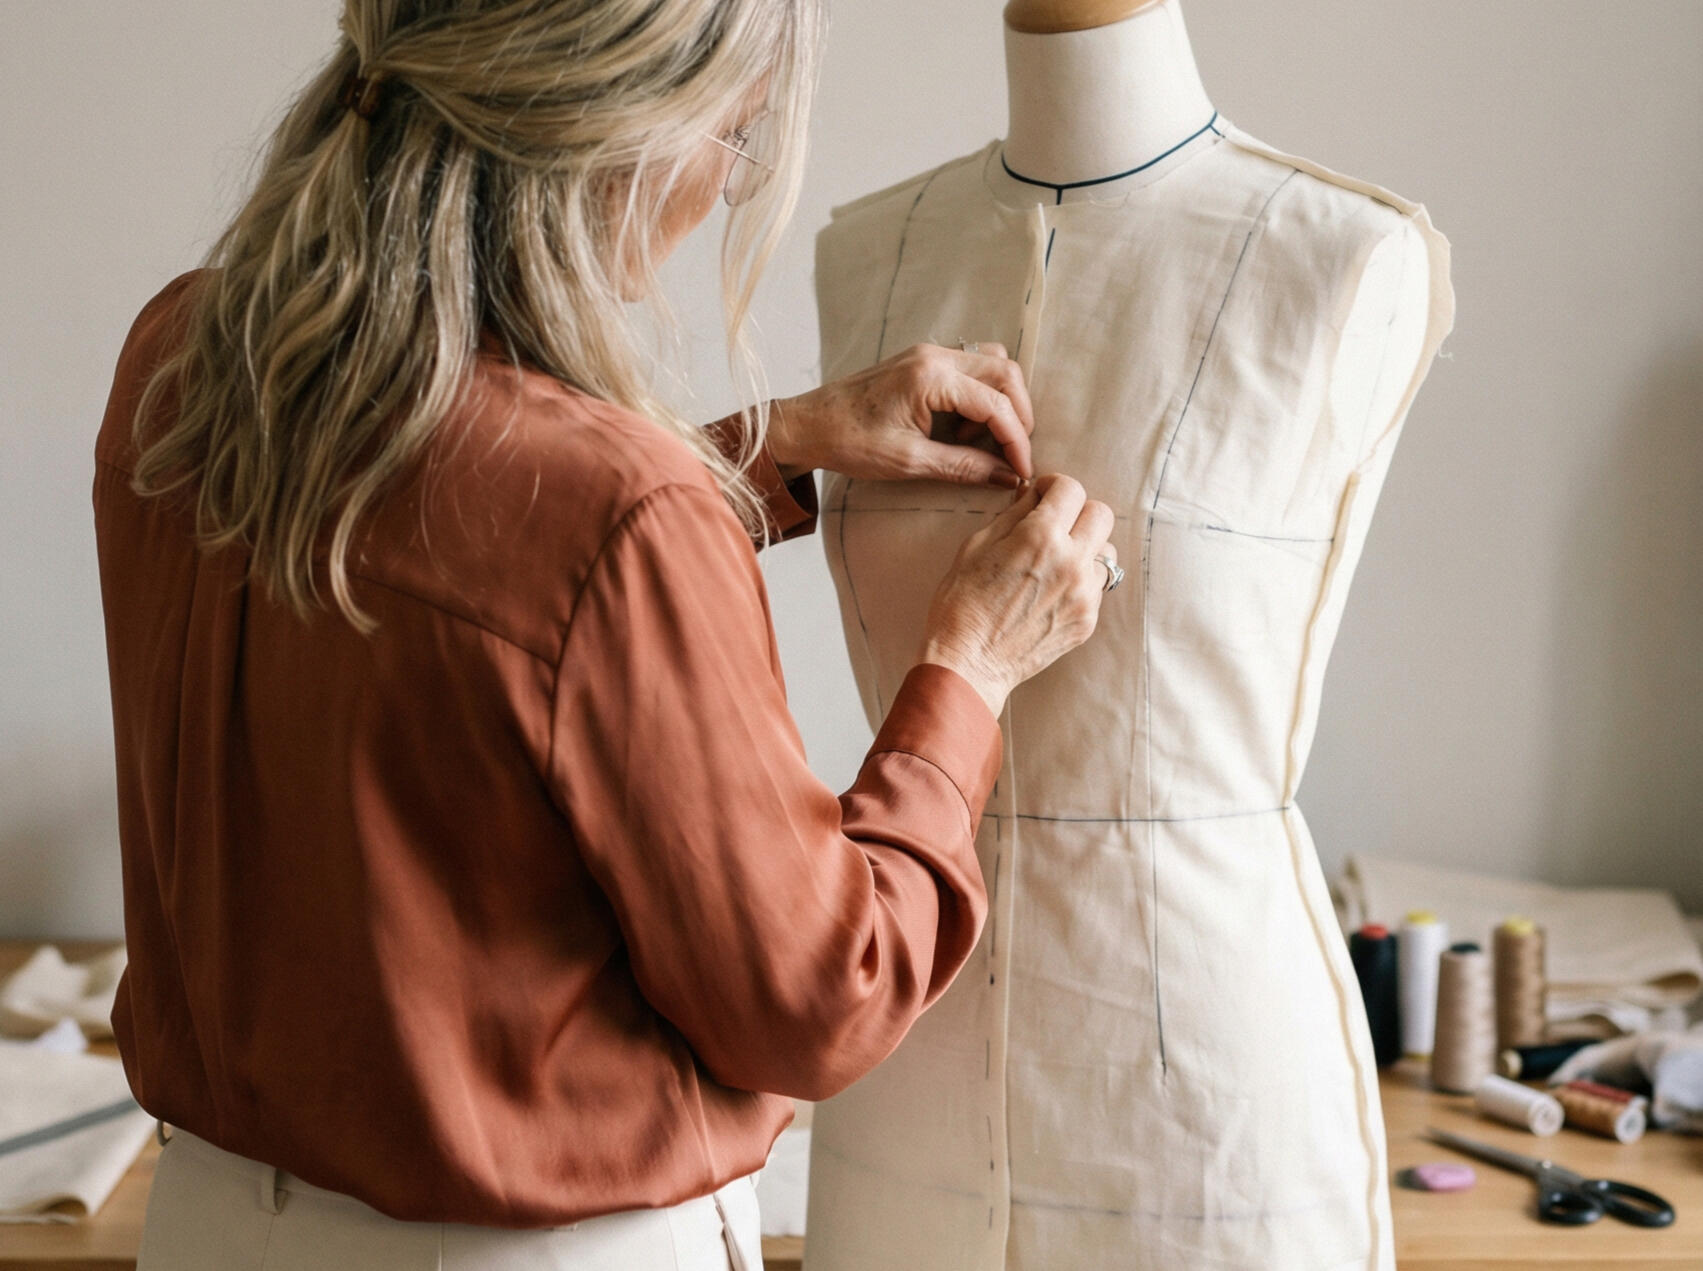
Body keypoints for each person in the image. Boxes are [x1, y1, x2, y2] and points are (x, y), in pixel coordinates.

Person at [90, 2, 1119, 1267]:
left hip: (204, 1231)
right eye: (733, 139)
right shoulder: (617, 513)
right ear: (614, 120)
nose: (724, 186)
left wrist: (768, 444)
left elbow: (465, 543)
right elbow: (816, 993)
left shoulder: (184, 360)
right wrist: (970, 664)